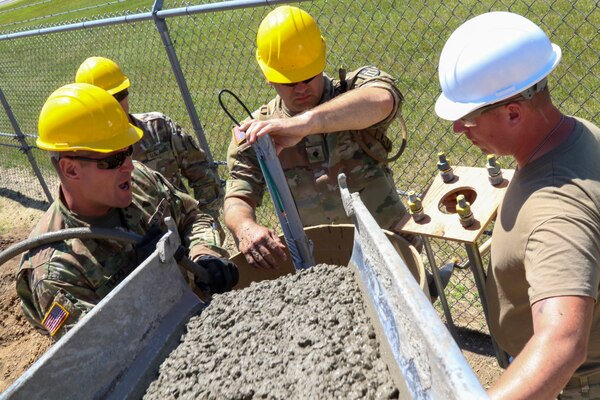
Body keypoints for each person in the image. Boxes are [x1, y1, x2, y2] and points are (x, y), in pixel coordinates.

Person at [435, 11, 600, 399]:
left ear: (513, 112)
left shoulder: (556, 207)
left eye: (468, 117)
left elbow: (562, 345)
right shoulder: (575, 133)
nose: (459, 129)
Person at [16, 83, 237, 340]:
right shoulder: (57, 270)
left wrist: (204, 254)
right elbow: (104, 355)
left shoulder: (140, 181)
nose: (129, 166)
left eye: (128, 151)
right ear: (71, 170)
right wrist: (149, 283)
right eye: (112, 160)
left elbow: (193, 216)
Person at [224, 5, 409, 270]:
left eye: (308, 78)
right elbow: (237, 197)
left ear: (321, 61)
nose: (300, 89)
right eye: (289, 82)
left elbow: (384, 98)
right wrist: (245, 228)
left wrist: (304, 124)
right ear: (267, 75)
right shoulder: (260, 132)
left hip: (390, 244)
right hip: (325, 265)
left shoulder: (351, 91)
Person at [75, 56, 224, 245]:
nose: (116, 105)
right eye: (106, 101)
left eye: (121, 95)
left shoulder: (158, 128)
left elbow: (203, 174)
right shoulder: (87, 159)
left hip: (187, 237)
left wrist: (205, 228)